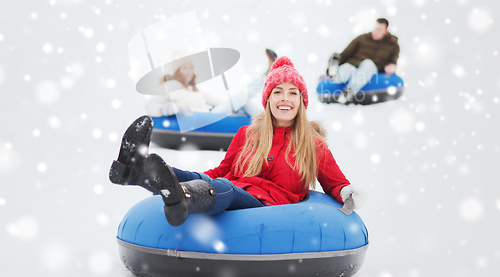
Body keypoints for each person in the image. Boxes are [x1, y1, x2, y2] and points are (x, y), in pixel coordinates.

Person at [110, 57, 366, 227]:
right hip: (230, 187)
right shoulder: (247, 134)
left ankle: (183, 199)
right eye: (277, 92)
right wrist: (191, 176)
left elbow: (336, 182)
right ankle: (136, 171)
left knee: (225, 187)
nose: (284, 99)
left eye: (292, 93)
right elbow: (221, 171)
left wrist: (346, 192)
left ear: (301, 101)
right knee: (212, 180)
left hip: (268, 206)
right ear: (267, 100)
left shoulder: (313, 145)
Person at [145, 49, 278, 118]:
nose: (189, 71)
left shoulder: (195, 90)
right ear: (177, 71)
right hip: (201, 120)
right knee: (242, 99)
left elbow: (219, 102)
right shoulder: (171, 87)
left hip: (209, 117)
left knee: (242, 101)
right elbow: (150, 106)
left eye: (190, 68)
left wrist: (235, 106)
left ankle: (268, 120)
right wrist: (164, 109)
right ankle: (268, 75)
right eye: (184, 68)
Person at [325, 18, 399, 105]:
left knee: (368, 64)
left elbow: (393, 61)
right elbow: (345, 54)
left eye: (379, 30)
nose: (375, 32)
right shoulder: (362, 38)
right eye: (375, 28)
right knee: (346, 70)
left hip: (372, 68)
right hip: (353, 64)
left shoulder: (393, 45)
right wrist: (330, 68)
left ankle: (349, 91)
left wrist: (392, 66)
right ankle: (333, 75)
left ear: (386, 31)